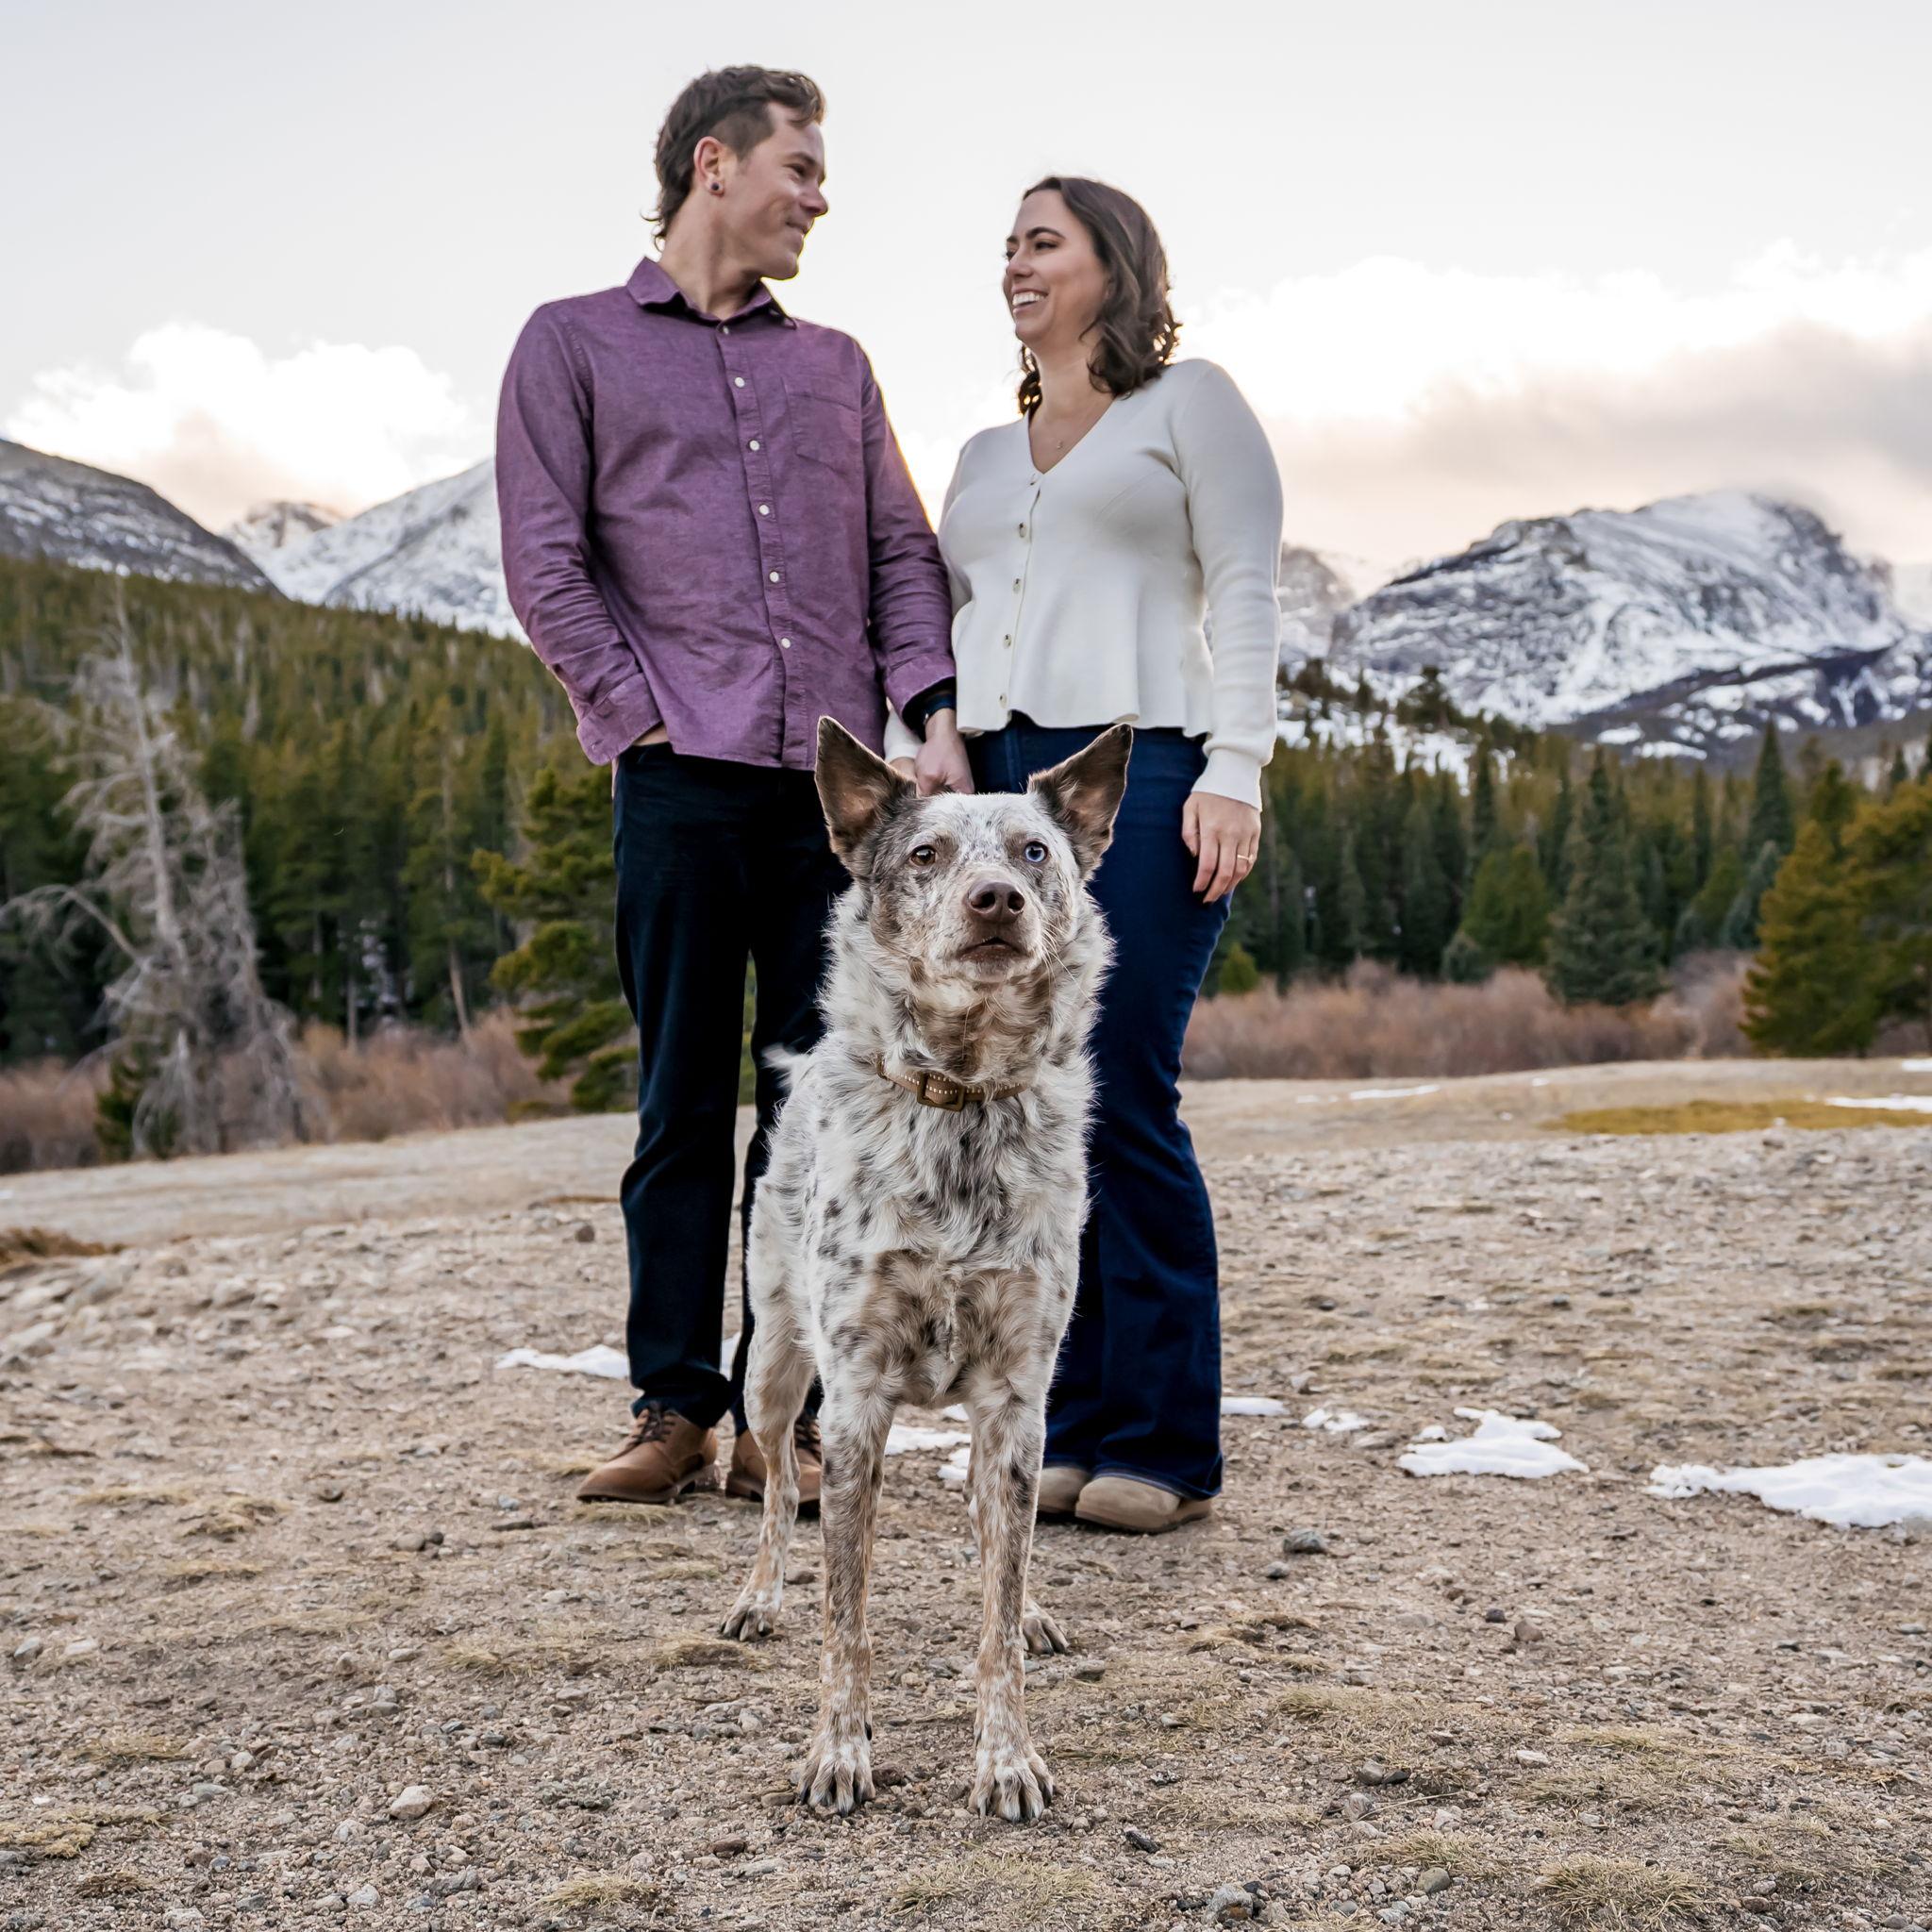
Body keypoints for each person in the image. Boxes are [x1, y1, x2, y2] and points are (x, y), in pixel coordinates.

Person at [497, 66, 970, 1509]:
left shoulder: (836, 367)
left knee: (823, 1113)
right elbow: (546, 563)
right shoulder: (571, 344)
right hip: (678, 785)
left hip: (839, 806)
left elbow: (899, 553)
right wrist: (640, 721)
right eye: (801, 170)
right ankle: (675, 1409)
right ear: (716, 164)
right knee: (682, 1104)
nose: (821, 198)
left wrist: (932, 715)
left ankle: (789, 1419)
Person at [898, 175, 1281, 1532]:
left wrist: (1236, 767)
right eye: (1006, 244)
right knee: (1032, 1100)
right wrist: (933, 736)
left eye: (1043, 242)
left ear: (1113, 266)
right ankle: (1072, 1422)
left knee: (1122, 1085)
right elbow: (950, 615)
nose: (1016, 262)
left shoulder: (1192, 405)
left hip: (1143, 767)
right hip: (1003, 785)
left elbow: (1248, 588)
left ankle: (1165, 1444)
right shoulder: (982, 455)